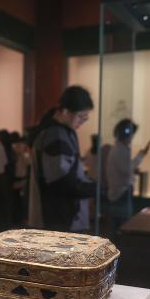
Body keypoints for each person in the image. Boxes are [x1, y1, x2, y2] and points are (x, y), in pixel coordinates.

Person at [31, 86, 97, 232]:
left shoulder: (59, 131)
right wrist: (95, 189)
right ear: (65, 112)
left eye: (85, 118)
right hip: (61, 217)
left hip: (61, 215)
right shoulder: (56, 135)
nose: (82, 121)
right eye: (80, 116)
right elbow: (62, 182)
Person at [106, 119, 150, 230]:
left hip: (120, 192)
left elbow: (128, 167)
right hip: (121, 193)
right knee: (122, 226)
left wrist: (141, 155)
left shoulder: (121, 148)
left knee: (120, 225)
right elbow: (127, 169)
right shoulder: (120, 149)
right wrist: (140, 156)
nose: (132, 137)